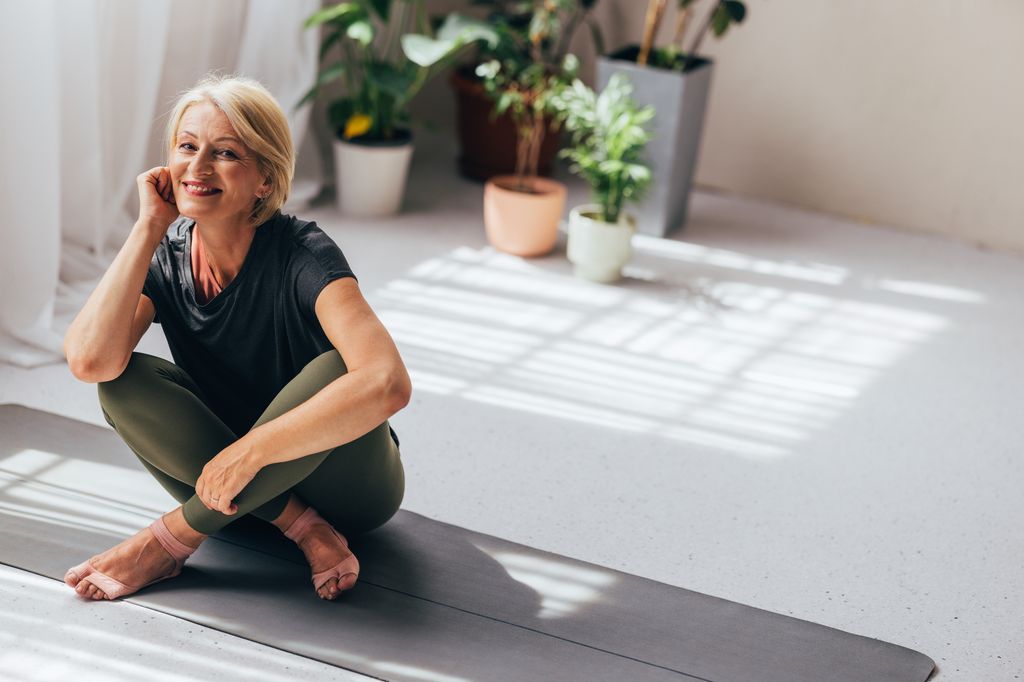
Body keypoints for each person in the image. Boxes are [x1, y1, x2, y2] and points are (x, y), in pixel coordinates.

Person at [61, 74, 410, 602]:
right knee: (120, 381)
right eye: (186, 147)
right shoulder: (168, 254)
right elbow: (91, 361)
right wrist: (147, 228)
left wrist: (249, 453)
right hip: (232, 489)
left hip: (349, 486)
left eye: (224, 153)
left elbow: (388, 383)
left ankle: (171, 540)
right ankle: (300, 525)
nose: (197, 168)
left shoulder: (303, 253)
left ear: (265, 179)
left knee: (339, 369)